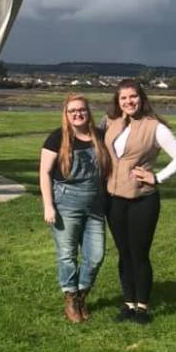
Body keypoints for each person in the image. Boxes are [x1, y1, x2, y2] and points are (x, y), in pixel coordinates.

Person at [104, 79, 176, 324]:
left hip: (143, 200)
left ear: (141, 98)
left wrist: (157, 177)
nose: (129, 102)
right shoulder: (110, 122)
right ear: (117, 101)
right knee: (123, 253)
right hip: (115, 200)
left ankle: (142, 307)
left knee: (139, 254)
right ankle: (128, 303)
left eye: (133, 97)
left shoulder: (155, 127)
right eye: (123, 98)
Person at [39, 94, 111, 323]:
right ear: (66, 114)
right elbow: (45, 173)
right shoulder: (57, 138)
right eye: (73, 111)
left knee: (96, 255)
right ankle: (70, 298)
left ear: (88, 112)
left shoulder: (100, 136)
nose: (78, 114)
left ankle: (82, 294)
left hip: (95, 207)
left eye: (82, 110)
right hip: (66, 205)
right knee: (67, 255)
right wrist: (48, 206)